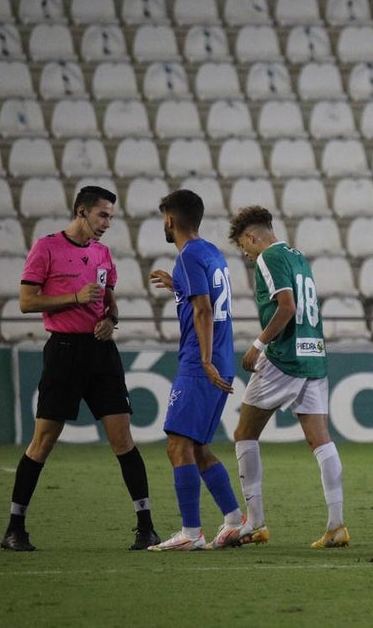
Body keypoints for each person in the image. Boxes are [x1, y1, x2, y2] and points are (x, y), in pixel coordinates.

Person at [1, 185, 159, 552]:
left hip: (101, 351)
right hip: (65, 351)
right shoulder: (46, 248)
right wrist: (73, 297)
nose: (107, 223)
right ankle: (14, 529)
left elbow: (109, 303)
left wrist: (110, 320)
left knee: (124, 440)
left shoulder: (103, 254)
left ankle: (146, 528)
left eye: (111, 217)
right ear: (81, 211)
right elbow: (26, 301)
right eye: (102, 215)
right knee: (43, 442)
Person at [228, 206, 349, 549]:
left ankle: (255, 522)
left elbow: (287, 306)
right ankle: (337, 525)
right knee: (320, 440)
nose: (247, 255)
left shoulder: (268, 257)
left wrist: (257, 345)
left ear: (251, 236)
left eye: (243, 247)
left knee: (244, 434)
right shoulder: (298, 256)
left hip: (285, 357)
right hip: (314, 355)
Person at [147, 190, 249, 551]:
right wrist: (178, 287)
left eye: (164, 218)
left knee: (177, 445)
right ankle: (235, 520)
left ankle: (191, 532)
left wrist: (203, 361)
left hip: (200, 361)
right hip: (221, 355)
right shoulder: (210, 252)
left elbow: (204, 309)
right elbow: (208, 299)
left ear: (171, 220)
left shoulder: (188, 256)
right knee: (198, 446)